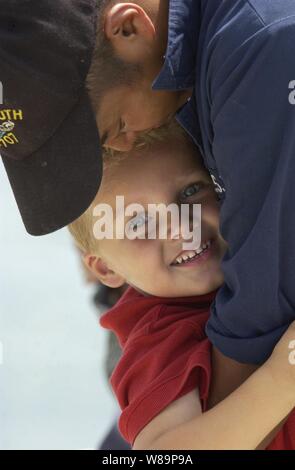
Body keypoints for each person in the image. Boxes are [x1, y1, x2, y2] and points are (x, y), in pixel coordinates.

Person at [69, 124, 295, 450]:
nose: (180, 227)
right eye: (138, 222)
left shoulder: (259, 254)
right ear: (105, 268)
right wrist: (283, 377)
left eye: (190, 192)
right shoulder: (156, 335)